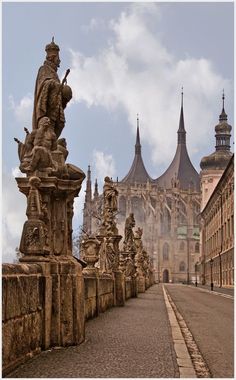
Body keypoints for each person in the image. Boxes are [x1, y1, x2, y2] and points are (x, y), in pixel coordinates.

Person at [32, 38, 72, 138]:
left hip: (56, 108)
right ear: (53, 57)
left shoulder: (54, 73)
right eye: (58, 58)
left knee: (60, 125)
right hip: (48, 107)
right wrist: (55, 84)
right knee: (48, 129)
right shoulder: (44, 69)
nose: (59, 60)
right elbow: (43, 84)